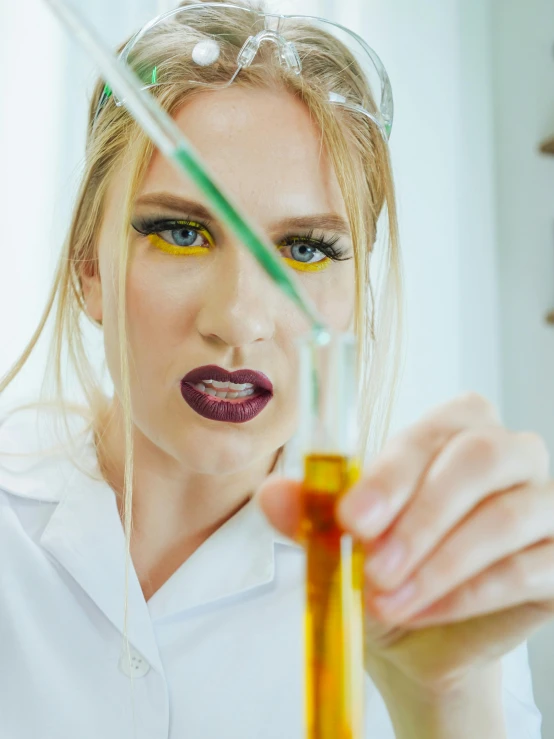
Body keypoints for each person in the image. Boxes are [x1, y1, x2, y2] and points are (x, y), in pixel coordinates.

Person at [0, 1, 551, 737]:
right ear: (88, 268)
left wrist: (444, 701)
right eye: (182, 232)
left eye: (307, 249)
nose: (239, 318)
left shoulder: (429, 596)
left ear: (355, 297)